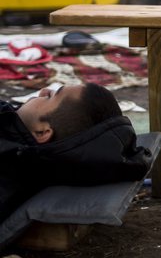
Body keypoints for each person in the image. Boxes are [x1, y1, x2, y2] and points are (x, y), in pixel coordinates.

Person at [1, 83, 135, 222]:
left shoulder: (9, 165)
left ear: (42, 132)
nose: (43, 91)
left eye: (49, 97)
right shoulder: (13, 141)